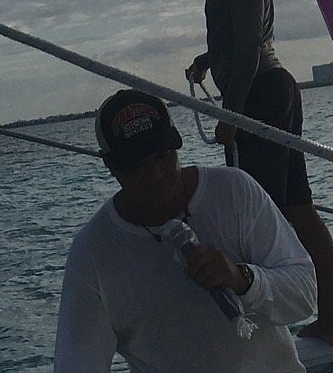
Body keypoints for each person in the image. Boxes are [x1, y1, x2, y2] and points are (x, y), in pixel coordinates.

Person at [182, 0, 333, 346]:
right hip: (270, 92)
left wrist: (232, 114)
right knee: (298, 208)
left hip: (263, 96)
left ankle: (272, 331)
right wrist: (207, 61)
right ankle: (328, 321)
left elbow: (252, 42)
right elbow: (238, 37)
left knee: (265, 216)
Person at [53, 89, 316, 373]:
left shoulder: (235, 191)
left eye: (161, 156)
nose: (154, 174)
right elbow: (78, 359)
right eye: (135, 165)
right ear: (110, 165)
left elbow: (304, 297)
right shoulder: (92, 251)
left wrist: (243, 279)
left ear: (176, 146)